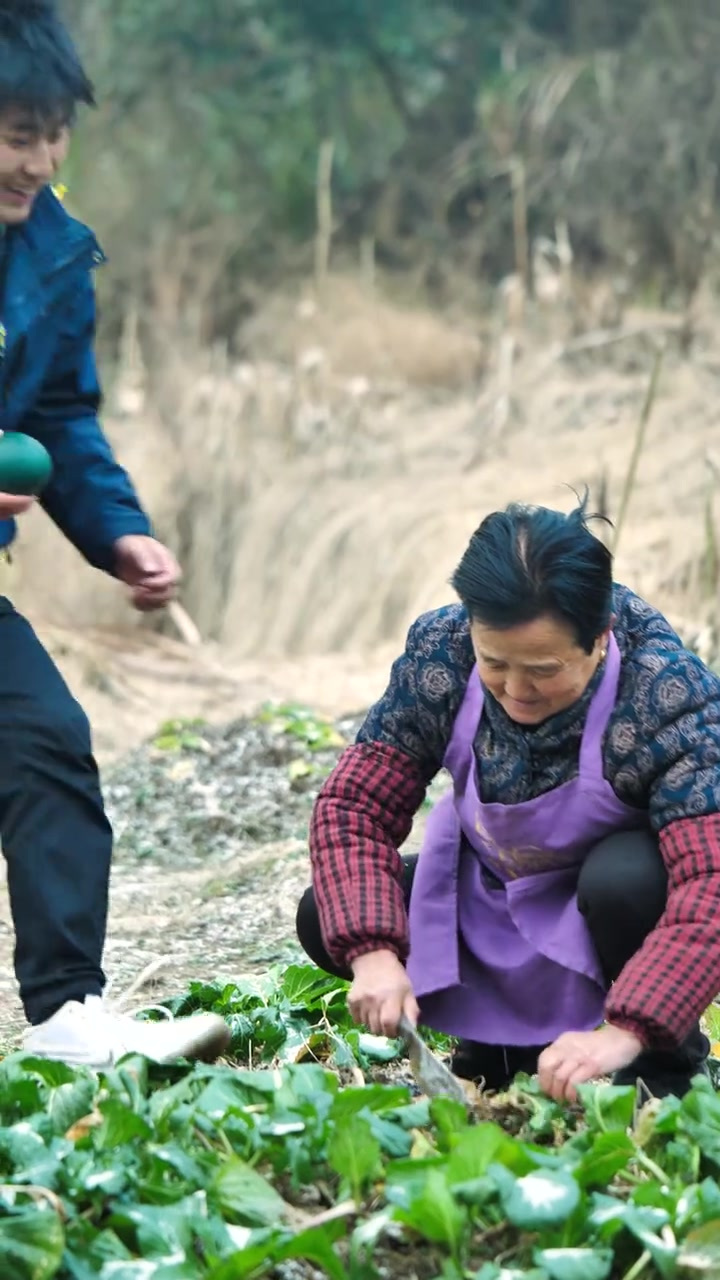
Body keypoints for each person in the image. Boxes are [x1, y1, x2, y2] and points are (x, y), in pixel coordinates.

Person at [297, 497, 720, 1101]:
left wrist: (630, 1028)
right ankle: (500, 1049)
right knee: (327, 913)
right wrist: (372, 953)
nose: (516, 690)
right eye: (494, 662)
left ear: (598, 639)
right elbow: (355, 807)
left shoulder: (666, 694)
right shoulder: (440, 653)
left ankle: (661, 1069)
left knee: (625, 879)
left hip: (606, 910)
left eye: (544, 670)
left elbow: (711, 881)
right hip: (493, 891)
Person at [0, 0, 230, 1067]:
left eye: (55, 132)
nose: (41, 160)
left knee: (43, 740)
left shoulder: (49, 252)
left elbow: (54, 415)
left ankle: (66, 1016)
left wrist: (118, 530)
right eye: (16, 131)